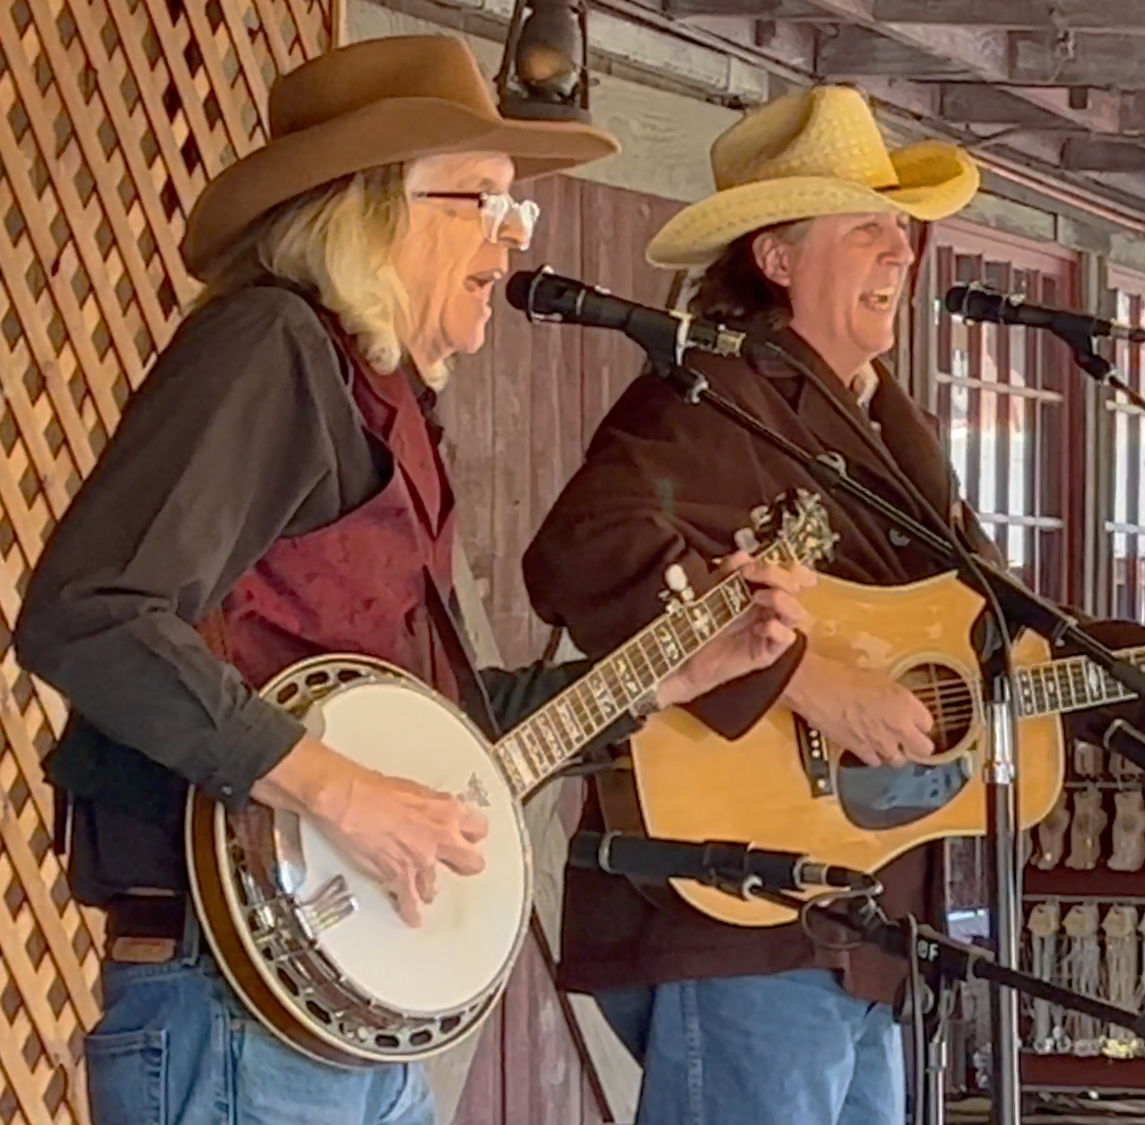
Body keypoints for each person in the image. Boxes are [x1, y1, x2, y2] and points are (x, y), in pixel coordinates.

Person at [14, 36, 812, 1125]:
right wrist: (336, 790)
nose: (507, 240)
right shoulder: (270, 351)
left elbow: (447, 731)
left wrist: (662, 679)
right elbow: (88, 613)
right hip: (233, 1012)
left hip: (337, 1027)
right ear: (371, 211)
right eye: (479, 200)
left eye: (512, 211)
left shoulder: (378, 392)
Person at [519, 84, 1145, 1125]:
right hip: (743, 902)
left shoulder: (880, 423)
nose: (900, 255)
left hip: (859, 916)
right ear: (776, 259)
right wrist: (808, 681)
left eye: (902, 234)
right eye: (866, 231)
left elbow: (1005, 643)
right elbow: (585, 551)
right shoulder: (715, 395)